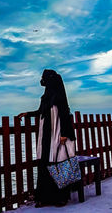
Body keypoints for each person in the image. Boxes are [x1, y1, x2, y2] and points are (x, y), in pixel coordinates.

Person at [18, 69, 76, 208]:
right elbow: (40, 112)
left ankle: (61, 198)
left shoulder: (59, 96)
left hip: (57, 135)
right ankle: (44, 198)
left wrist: (64, 134)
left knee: (59, 164)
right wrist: (27, 114)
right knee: (45, 164)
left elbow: (65, 115)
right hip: (45, 137)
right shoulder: (46, 97)